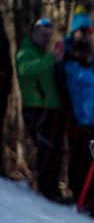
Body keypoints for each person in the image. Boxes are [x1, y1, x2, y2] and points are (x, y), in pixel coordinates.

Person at [58, 7, 94, 221]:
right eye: (83, 31)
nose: (87, 35)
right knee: (78, 159)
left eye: (90, 31)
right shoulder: (66, 55)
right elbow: (61, 86)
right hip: (77, 118)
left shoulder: (93, 60)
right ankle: (77, 195)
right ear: (75, 31)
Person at [16, 17, 67, 202]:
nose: (46, 38)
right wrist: (51, 59)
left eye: (49, 35)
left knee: (55, 151)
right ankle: (45, 189)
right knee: (46, 148)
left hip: (52, 109)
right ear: (33, 32)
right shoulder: (26, 52)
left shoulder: (45, 54)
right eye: (43, 34)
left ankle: (53, 189)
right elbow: (25, 69)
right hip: (36, 109)